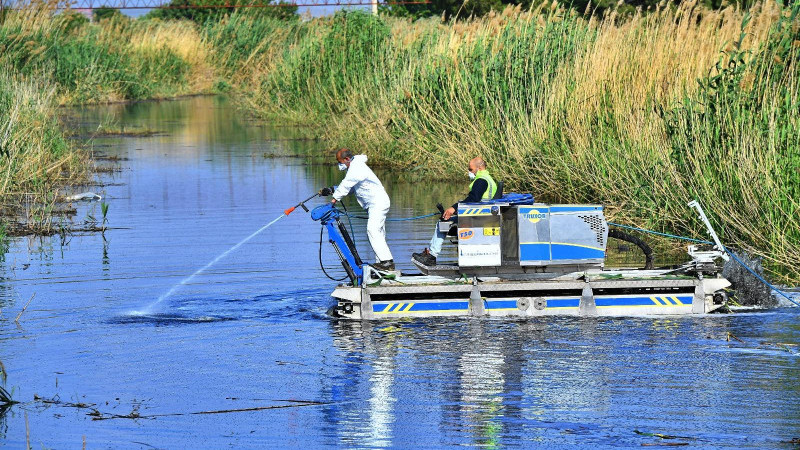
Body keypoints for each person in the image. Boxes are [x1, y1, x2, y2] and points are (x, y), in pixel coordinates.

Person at [412, 157, 497, 266]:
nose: (469, 172)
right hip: (482, 215)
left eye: (470, 169)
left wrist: (453, 208)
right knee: (445, 222)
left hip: (476, 218)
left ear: (479, 168)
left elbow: (473, 199)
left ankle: (431, 256)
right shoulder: (489, 178)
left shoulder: (481, 180)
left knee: (442, 223)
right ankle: (432, 253)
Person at [328, 148, 395, 271]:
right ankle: (382, 263)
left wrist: (333, 201)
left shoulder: (356, 168)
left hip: (378, 202)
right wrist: (333, 190)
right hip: (374, 204)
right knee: (378, 233)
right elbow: (353, 188)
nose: (339, 165)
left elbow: (346, 185)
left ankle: (387, 262)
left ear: (347, 159)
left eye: (340, 162)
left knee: (372, 230)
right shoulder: (355, 167)